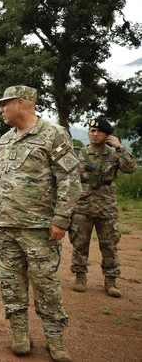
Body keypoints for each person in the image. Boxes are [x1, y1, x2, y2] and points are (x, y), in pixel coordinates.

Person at [0, 85, 81, 362]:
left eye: (5, 104)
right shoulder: (3, 141)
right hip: (5, 228)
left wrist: (61, 219)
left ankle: (55, 339)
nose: (1, 110)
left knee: (45, 284)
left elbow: (70, 180)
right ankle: (20, 334)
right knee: (10, 284)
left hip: (40, 229)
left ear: (22, 103)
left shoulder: (53, 134)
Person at [69, 118, 137, 297]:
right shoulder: (77, 154)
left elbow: (131, 168)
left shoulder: (115, 155)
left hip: (106, 209)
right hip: (82, 207)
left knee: (109, 246)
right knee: (79, 244)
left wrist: (119, 146)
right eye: (92, 131)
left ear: (108, 135)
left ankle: (111, 281)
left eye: (99, 131)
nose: (95, 134)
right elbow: (64, 177)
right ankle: (80, 277)